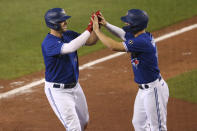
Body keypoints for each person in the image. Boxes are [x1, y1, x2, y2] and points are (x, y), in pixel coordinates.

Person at [91, 9, 169, 131]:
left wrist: (97, 31)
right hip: (143, 90)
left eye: (128, 22)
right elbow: (123, 34)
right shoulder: (140, 35)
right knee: (138, 123)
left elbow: (113, 46)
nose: (126, 23)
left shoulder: (142, 41)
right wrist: (106, 24)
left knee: (158, 128)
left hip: (153, 90)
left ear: (136, 24)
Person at [41, 8, 99, 131]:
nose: (65, 22)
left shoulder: (68, 35)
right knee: (74, 128)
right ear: (53, 23)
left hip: (75, 87)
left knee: (84, 122)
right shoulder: (48, 43)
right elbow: (71, 47)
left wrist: (96, 27)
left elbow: (90, 40)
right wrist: (88, 29)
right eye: (62, 21)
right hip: (58, 92)